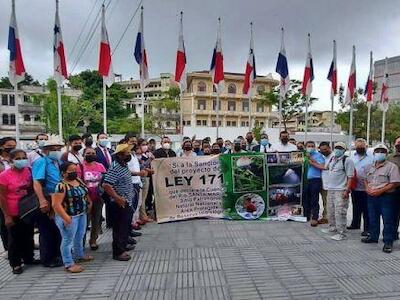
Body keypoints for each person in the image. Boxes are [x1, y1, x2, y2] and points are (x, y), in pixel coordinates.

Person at [0, 149, 37, 274]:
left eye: (23, 157)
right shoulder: (4, 176)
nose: (22, 160)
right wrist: (7, 216)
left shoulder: (28, 171)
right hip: (13, 211)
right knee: (15, 238)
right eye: (18, 158)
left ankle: (28, 258)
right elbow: (2, 197)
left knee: (28, 235)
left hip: (27, 210)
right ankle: (15, 263)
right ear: (11, 161)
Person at [52, 162, 93, 273]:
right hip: (69, 217)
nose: (74, 173)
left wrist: (89, 202)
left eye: (75, 170)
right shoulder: (61, 186)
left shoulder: (78, 180)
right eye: (71, 171)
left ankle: (79, 255)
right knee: (67, 240)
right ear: (63, 173)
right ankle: (68, 263)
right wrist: (66, 218)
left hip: (81, 214)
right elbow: (56, 204)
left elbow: (85, 193)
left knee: (80, 236)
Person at [362, 143, 400, 253]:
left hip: (386, 197)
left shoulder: (392, 167)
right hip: (371, 196)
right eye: (378, 151)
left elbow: (394, 183)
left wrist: (380, 191)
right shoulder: (369, 166)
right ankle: (373, 237)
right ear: (373, 153)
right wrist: (367, 189)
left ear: (386, 154)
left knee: (388, 220)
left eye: (382, 152)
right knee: (372, 218)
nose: (380, 153)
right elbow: (365, 179)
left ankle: (388, 242)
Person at [32, 137, 64, 267]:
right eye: (52, 149)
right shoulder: (41, 162)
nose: (56, 151)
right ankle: (48, 258)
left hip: (59, 198)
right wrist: (42, 200)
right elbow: (37, 182)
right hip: (48, 198)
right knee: (47, 230)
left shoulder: (59, 162)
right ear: (45, 150)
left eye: (58, 149)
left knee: (58, 229)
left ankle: (57, 255)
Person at [103, 144, 137, 261]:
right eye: (127, 153)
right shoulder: (115, 167)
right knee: (119, 228)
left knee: (125, 226)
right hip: (119, 203)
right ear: (120, 155)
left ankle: (122, 246)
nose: (129, 155)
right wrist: (117, 198)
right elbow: (106, 185)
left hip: (126, 200)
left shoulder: (123, 165)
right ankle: (118, 252)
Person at [322, 142, 355, 241]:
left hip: (341, 190)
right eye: (336, 147)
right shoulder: (333, 158)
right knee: (330, 210)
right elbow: (326, 167)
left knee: (340, 212)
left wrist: (347, 190)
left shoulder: (347, 160)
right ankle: (332, 227)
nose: (337, 150)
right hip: (331, 189)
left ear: (344, 150)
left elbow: (350, 177)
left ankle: (342, 233)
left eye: (340, 148)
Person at [78, 147, 107, 250]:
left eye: (93, 153)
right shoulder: (80, 167)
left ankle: (93, 240)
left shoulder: (100, 166)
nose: (91, 155)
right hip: (84, 198)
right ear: (84, 154)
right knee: (84, 221)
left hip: (98, 197)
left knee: (96, 219)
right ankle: (80, 243)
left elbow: (104, 179)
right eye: (88, 153)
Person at [348, 138, 373, 236]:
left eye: (362, 147)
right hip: (355, 185)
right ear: (355, 147)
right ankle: (355, 223)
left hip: (366, 186)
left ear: (366, 147)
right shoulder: (351, 156)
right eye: (358, 147)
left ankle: (367, 228)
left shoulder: (371, 157)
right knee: (356, 206)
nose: (360, 149)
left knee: (366, 208)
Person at [0, 137, 17, 251]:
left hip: (16, 195)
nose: (12, 148)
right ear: (2, 146)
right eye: (9, 146)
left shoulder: (15, 159)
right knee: (5, 221)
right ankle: (8, 247)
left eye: (14, 146)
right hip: (3, 194)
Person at [305, 141, 325, 227]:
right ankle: (306, 215)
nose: (310, 147)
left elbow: (321, 166)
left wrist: (311, 159)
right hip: (305, 180)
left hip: (315, 179)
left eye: (312, 146)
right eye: (309, 146)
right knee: (306, 198)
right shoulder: (303, 155)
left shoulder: (318, 155)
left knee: (314, 199)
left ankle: (315, 217)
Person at [388, 135, 400, 240]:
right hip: (394, 189)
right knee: (393, 214)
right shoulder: (390, 158)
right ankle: (393, 234)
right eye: (398, 143)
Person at [318, 142, 332, 224]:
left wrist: (312, 162)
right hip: (322, 182)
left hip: (330, 183)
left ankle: (327, 217)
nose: (324, 151)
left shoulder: (333, 157)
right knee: (324, 201)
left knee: (328, 201)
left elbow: (325, 167)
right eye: (322, 150)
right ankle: (325, 216)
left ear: (329, 148)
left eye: (325, 149)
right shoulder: (322, 156)